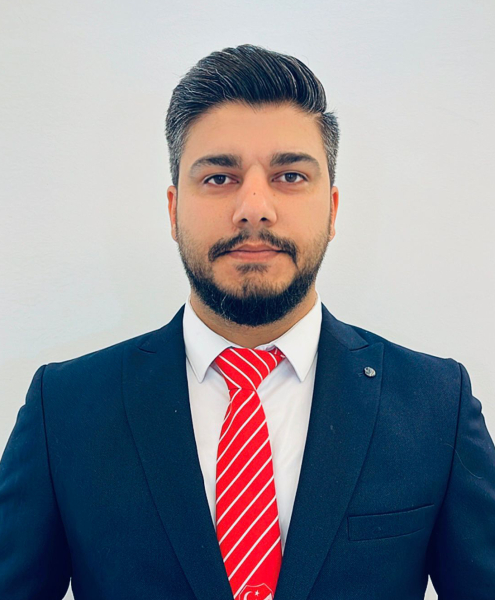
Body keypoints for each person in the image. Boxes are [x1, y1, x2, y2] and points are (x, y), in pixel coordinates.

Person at [1, 43, 494, 600]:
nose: (254, 207)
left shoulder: (436, 405)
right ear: (173, 210)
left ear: (332, 210)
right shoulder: (64, 410)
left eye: (290, 175)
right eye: (219, 177)